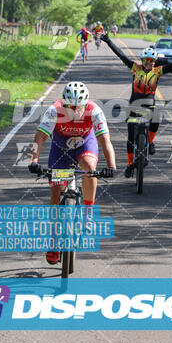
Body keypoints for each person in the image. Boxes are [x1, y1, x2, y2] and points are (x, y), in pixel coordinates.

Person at [28, 81, 116, 264]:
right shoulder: (54, 110)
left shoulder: (94, 111)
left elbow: (105, 142)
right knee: (55, 193)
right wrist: (34, 160)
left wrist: (111, 166)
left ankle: (88, 212)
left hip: (85, 144)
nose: (75, 111)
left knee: (89, 169)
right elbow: (40, 136)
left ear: (85, 104)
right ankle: (53, 241)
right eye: (70, 107)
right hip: (60, 149)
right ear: (64, 103)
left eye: (79, 107)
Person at [101, 33, 172, 178]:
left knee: (157, 117)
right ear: (143, 61)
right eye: (147, 61)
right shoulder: (135, 68)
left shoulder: (158, 71)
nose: (150, 63)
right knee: (131, 137)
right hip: (134, 106)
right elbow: (121, 55)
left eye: (152, 61)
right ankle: (130, 165)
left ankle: (150, 142)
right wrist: (108, 41)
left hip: (149, 107)